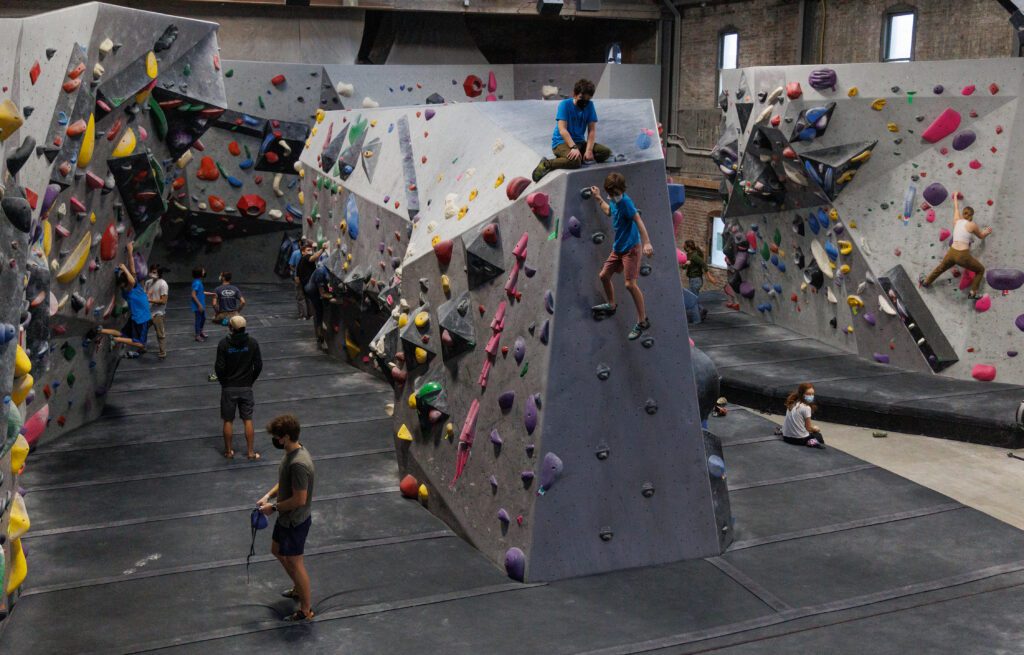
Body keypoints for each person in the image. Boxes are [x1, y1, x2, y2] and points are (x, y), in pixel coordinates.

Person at [258, 414, 316, 622]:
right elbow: (284, 481)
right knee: (276, 550)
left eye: (277, 437)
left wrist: (272, 508)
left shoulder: (299, 464)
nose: (275, 440)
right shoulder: (291, 452)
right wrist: (268, 495)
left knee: (295, 561)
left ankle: (306, 609)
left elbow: (299, 499)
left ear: (286, 437)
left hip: (295, 521)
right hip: (285, 518)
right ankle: (298, 588)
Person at [588, 172, 654, 340]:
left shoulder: (625, 202)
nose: (614, 196)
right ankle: (611, 304)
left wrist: (646, 243)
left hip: (631, 248)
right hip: (618, 248)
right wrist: (598, 198)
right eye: (611, 193)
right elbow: (609, 211)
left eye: (616, 193)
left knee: (630, 285)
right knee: (604, 275)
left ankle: (642, 321)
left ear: (621, 190)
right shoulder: (614, 200)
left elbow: (638, 220)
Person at [532, 79, 612, 182]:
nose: (584, 103)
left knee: (605, 152)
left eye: (587, 100)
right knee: (575, 162)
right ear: (574, 94)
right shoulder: (565, 105)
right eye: (581, 98)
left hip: (580, 142)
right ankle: (547, 164)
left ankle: (577, 156)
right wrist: (573, 147)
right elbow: (562, 130)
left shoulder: (590, 106)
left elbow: (592, 130)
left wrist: (588, 150)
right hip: (561, 142)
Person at [920, 192, 992, 299]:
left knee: (940, 268)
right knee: (980, 270)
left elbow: (956, 209)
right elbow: (981, 236)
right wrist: (987, 231)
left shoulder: (956, 221)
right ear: (972, 216)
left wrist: (955, 197)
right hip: (962, 256)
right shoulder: (972, 225)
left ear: (963, 214)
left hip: (952, 252)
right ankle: (973, 293)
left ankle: (926, 282)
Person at [215, 315, 263, 460]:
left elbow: (219, 367)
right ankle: (250, 452)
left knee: (228, 420)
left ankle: (229, 452)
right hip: (246, 387)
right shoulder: (252, 343)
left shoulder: (224, 344)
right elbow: (259, 365)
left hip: (229, 387)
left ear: (230, 327)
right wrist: (250, 380)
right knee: (247, 419)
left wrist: (224, 383)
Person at [117, 242, 151, 359]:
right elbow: (131, 277)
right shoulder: (130, 289)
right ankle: (140, 347)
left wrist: (130, 251)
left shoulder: (132, 286)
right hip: (141, 317)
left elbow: (132, 270)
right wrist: (124, 268)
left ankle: (140, 347)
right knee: (140, 339)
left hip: (140, 316)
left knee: (139, 337)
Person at [781, 382, 824, 448]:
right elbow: (809, 428)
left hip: (786, 437)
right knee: (818, 436)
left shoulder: (792, 403)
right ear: (802, 394)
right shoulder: (806, 407)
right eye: (808, 394)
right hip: (799, 440)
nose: (811, 396)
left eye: (812, 394)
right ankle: (811, 443)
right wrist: (815, 429)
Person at [305, 261, 333, 350]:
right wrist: (332, 296)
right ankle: (320, 337)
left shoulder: (325, 270)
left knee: (320, 311)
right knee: (319, 313)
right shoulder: (321, 272)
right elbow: (322, 294)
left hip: (315, 289)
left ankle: (320, 333)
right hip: (313, 292)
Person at [144, 265, 169, 360]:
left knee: (160, 333)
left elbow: (163, 301)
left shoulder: (163, 284)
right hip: (147, 312)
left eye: (154, 272)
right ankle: (142, 347)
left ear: (159, 273)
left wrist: (150, 301)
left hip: (158, 313)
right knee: (143, 330)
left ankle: (162, 352)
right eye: (151, 271)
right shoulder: (148, 282)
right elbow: (144, 294)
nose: (152, 273)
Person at [682, 240, 709, 322]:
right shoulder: (689, 255)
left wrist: (708, 274)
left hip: (696, 280)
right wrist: (685, 264)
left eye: (684, 245)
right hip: (693, 279)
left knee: (692, 299)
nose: (683, 246)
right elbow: (684, 267)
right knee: (693, 298)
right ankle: (702, 309)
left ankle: (697, 320)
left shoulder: (694, 256)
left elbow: (703, 264)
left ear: (688, 247)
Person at [290, 240, 310, 320]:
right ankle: (310, 314)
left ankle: (303, 315)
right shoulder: (310, 254)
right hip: (308, 278)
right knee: (308, 296)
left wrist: (295, 271)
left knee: (300, 297)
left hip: (298, 278)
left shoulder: (295, 253)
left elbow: (291, 265)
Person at [191, 268, 210, 342]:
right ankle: (197, 335)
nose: (204, 272)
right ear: (200, 273)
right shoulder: (197, 283)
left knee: (203, 318)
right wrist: (199, 305)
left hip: (201, 304)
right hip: (198, 305)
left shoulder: (199, 282)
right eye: (203, 271)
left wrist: (211, 294)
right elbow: (193, 295)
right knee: (198, 320)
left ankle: (201, 331)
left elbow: (201, 292)